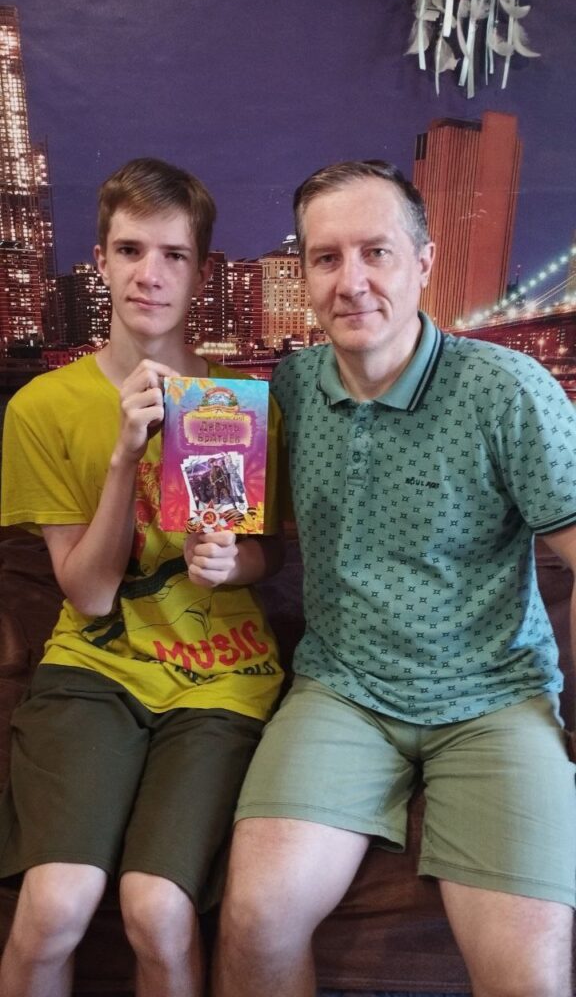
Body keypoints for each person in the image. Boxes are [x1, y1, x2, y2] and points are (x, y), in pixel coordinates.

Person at [213, 159, 576, 997]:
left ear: (424, 262)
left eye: (376, 251)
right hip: (341, 693)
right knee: (255, 921)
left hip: (495, 700)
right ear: (305, 275)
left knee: (528, 976)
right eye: (326, 257)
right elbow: (258, 542)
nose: (352, 281)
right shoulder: (288, 389)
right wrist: (226, 553)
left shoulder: (509, 390)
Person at [0, 157, 286, 997]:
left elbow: (269, 555)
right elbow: (89, 595)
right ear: (100, 260)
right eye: (129, 251)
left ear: (200, 272)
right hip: (94, 670)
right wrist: (127, 455)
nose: (149, 275)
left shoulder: (239, 401)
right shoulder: (42, 408)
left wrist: (236, 561)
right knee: (52, 908)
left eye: (173, 255)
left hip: (222, 678)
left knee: (157, 910)